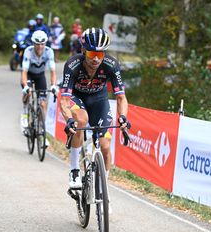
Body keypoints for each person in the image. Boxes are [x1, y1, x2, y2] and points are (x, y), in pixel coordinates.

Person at [60, 27, 131, 189]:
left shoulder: (111, 65)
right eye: (92, 54)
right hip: (78, 97)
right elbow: (64, 101)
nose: (96, 60)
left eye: (100, 55)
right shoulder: (72, 65)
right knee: (81, 120)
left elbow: (121, 97)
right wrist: (69, 120)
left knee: (105, 145)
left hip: (99, 99)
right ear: (84, 50)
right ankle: (75, 171)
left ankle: (103, 187)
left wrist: (123, 117)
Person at [21, 30, 59, 147]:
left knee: (42, 104)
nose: (40, 46)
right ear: (33, 43)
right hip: (29, 75)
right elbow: (24, 72)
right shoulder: (28, 51)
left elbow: (52, 71)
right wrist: (26, 87)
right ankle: (25, 114)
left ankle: (42, 134)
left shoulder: (49, 52)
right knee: (28, 93)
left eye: (42, 43)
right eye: (37, 44)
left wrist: (53, 85)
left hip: (40, 76)